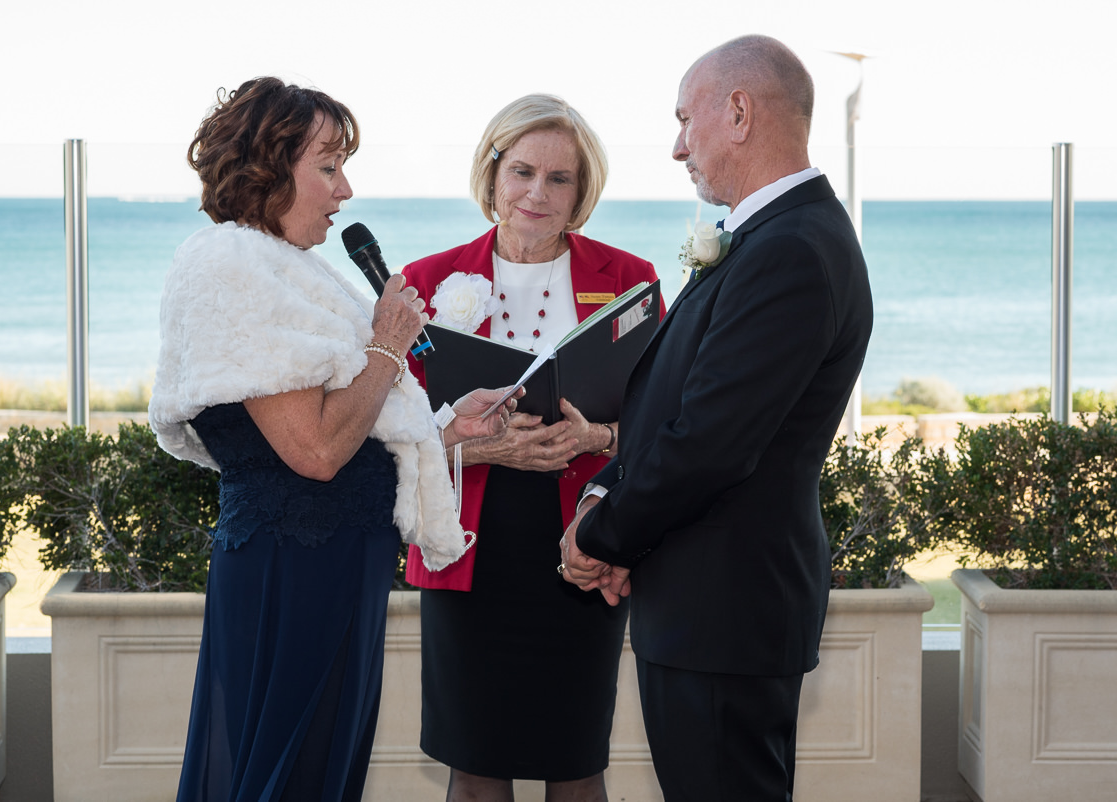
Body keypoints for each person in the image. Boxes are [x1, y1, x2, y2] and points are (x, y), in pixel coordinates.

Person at [148, 77, 518, 802]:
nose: (344, 191)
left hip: (333, 563)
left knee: (318, 771)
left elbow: (350, 432)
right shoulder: (235, 266)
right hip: (295, 572)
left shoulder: (282, 266)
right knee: (289, 774)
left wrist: (444, 432)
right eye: (328, 166)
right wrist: (388, 344)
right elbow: (314, 453)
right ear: (266, 164)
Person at [560, 36, 874, 801]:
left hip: (725, 614)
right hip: (710, 607)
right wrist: (606, 492)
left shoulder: (792, 250)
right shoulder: (774, 237)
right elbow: (675, 406)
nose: (676, 147)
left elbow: (711, 444)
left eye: (683, 120)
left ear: (739, 112)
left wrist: (598, 535)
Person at [401, 94, 661, 802]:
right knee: (474, 763)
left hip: (582, 544)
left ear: (583, 191)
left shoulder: (630, 282)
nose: (536, 194)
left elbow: (670, 423)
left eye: (560, 179)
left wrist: (597, 435)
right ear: (491, 177)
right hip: (468, 550)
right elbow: (391, 432)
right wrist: (481, 448)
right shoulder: (424, 284)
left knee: (575, 762)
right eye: (521, 171)